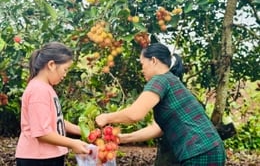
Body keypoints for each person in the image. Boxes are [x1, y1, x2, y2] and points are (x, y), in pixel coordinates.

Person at [95, 43, 226, 165]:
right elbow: (156, 129)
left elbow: (135, 114)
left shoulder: (160, 80)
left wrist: (106, 117)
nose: (142, 69)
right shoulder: (171, 80)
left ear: (153, 60)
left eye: (142, 64)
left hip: (198, 150)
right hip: (211, 148)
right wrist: (123, 138)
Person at [15, 42, 90, 166]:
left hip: (47, 157)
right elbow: (42, 133)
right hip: (38, 159)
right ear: (51, 65)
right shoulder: (38, 90)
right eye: (65, 69)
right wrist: (73, 143)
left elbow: (54, 121)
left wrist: (82, 131)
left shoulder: (46, 88)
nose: (65, 75)